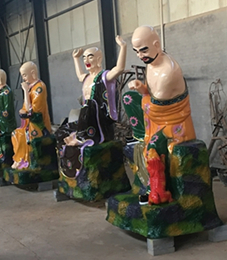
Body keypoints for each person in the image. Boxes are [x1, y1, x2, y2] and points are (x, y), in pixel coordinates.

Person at [125, 25, 196, 204]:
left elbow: (156, 107)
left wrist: (144, 96)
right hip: (153, 113)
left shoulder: (167, 72)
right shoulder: (152, 62)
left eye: (143, 50)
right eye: (136, 52)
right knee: (128, 98)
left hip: (171, 121)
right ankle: (140, 135)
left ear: (156, 44)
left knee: (153, 149)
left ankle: (157, 191)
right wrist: (142, 89)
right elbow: (151, 97)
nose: (140, 56)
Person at [56, 36, 127, 177]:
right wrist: (75, 58)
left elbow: (119, 68)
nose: (86, 61)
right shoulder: (87, 78)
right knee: (62, 131)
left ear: (99, 59)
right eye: (84, 58)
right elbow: (79, 75)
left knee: (88, 107)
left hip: (100, 117)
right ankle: (76, 138)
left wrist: (123, 47)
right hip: (86, 117)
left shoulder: (104, 76)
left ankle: (81, 137)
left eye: (90, 57)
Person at [11, 61, 52, 169]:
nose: (23, 78)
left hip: (39, 124)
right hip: (29, 123)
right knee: (15, 133)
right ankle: (20, 159)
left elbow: (32, 111)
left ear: (33, 73)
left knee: (26, 135)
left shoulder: (39, 88)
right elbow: (25, 108)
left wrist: (25, 91)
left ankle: (26, 160)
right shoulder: (31, 88)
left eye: (25, 75)